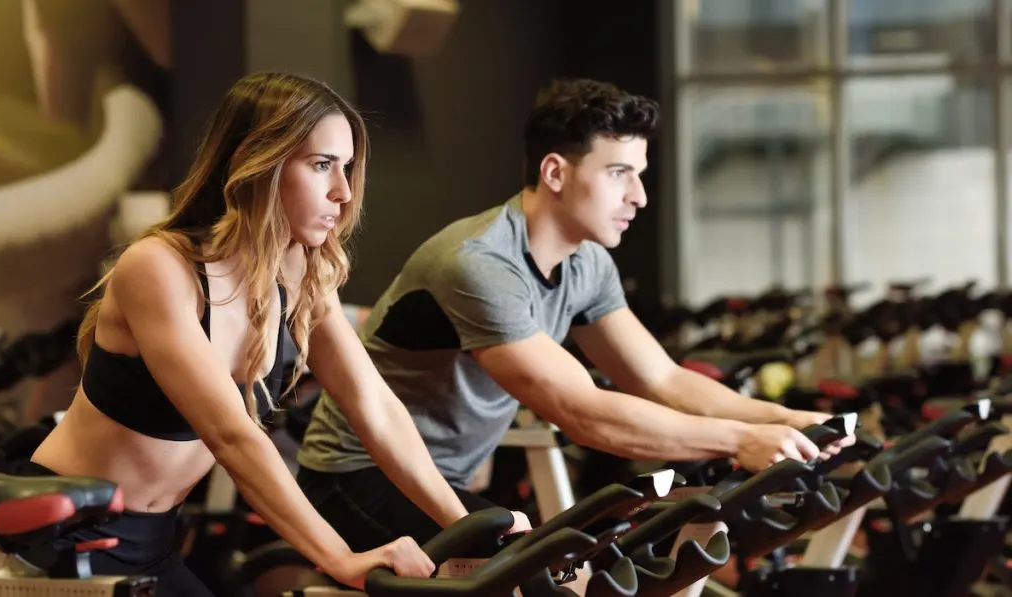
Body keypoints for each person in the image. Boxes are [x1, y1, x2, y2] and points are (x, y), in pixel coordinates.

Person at [295, 77, 851, 549]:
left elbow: (662, 378)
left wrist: (782, 421)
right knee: (534, 572)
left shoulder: (588, 264)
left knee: (570, 560)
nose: (639, 197)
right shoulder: (479, 264)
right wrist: (736, 441)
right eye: (619, 174)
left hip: (437, 479)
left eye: (640, 174)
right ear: (556, 173)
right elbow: (580, 412)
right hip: (356, 477)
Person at [9, 71, 482, 595]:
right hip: (64, 539)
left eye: (346, 168)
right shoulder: (160, 268)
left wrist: (464, 527)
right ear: (258, 163)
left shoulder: (301, 276)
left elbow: (374, 406)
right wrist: (341, 558)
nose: (343, 192)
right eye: (322, 165)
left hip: (153, 541)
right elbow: (231, 435)